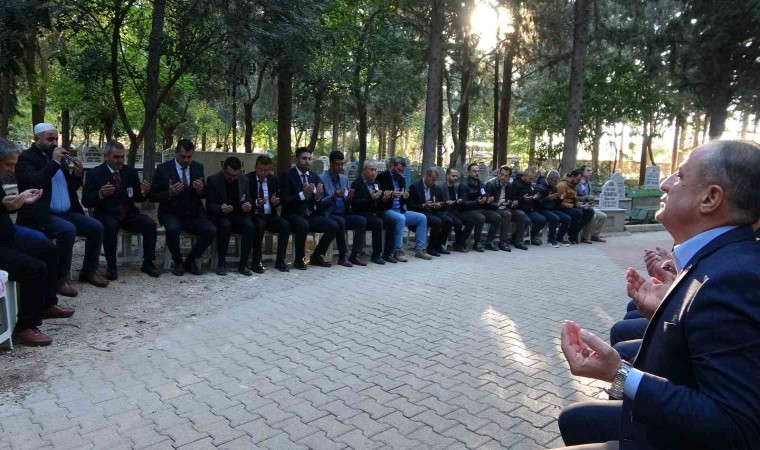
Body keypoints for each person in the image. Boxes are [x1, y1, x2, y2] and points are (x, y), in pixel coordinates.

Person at [556, 140, 760, 450]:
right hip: (663, 424)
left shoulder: (734, 278)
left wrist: (618, 373)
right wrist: (663, 312)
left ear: (710, 198)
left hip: (672, 438)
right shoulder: (723, 258)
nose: (665, 183)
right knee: (576, 419)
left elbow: (736, 428)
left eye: (680, 176)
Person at [15, 123, 107, 296]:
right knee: (67, 230)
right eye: (50, 139)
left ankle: (89, 271)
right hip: (41, 214)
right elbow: (34, 181)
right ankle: (59, 278)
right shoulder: (26, 158)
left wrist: (77, 174)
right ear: (36, 139)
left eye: (56, 138)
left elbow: (70, 188)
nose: (55, 142)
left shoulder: (59, 158)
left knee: (96, 227)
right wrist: (55, 162)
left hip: (66, 213)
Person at [0, 138, 73, 346]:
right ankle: (25, 326)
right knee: (35, 268)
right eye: (9, 164)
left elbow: (3, 207)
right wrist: (9, 205)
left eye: (14, 164)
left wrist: (20, 201)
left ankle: (47, 304)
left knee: (48, 250)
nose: (12, 169)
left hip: (7, 236)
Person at [81, 141, 159, 280]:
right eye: (116, 157)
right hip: (106, 213)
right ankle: (112, 266)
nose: (120, 160)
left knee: (150, 224)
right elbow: (86, 201)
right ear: (106, 156)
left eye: (122, 157)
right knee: (110, 226)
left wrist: (144, 192)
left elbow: (137, 197)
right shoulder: (95, 174)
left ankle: (148, 262)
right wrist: (100, 193)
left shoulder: (130, 172)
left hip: (129, 213)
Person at [149, 138, 215, 276]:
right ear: (176, 153)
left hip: (193, 212)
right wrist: (169, 193)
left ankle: (190, 261)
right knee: (173, 229)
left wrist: (201, 190)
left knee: (211, 230)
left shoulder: (197, 167)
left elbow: (204, 194)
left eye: (189, 157)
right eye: (183, 156)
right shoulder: (163, 169)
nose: (186, 160)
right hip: (170, 212)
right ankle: (177, 261)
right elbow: (153, 196)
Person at [280, 147, 337, 269]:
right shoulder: (287, 175)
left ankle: (317, 256)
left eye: (309, 159)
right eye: (304, 158)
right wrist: (303, 195)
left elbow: (317, 203)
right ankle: (299, 259)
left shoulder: (313, 176)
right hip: (292, 215)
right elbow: (285, 201)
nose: (307, 161)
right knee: (303, 225)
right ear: (296, 159)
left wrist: (317, 197)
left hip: (310, 215)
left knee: (333, 225)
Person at [205, 157, 255, 276]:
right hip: (221, 216)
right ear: (224, 170)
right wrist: (220, 208)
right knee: (225, 225)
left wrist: (248, 205)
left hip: (239, 215)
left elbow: (248, 199)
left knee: (250, 226)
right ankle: (221, 263)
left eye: (235, 175)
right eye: (229, 175)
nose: (232, 178)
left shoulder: (244, 180)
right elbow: (209, 205)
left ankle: (243, 264)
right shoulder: (213, 180)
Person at [376, 157, 433, 260]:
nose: (400, 173)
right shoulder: (381, 177)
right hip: (386, 210)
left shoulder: (401, 179)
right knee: (401, 218)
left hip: (400, 210)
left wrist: (405, 197)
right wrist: (391, 195)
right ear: (392, 165)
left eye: (402, 171)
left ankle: (420, 250)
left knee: (422, 217)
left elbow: (403, 201)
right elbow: (378, 197)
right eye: (398, 170)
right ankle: (398, 251)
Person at [320, 150, 368, 266]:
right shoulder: (322, 178)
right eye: (338, 164)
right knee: (340, 221)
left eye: (342, 164)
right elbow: (319, 202)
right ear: (331, 163)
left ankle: (355, 255)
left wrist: (349, 198)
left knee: (361, 220)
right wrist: (333, 196)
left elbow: (346, 201)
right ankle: (342, 256)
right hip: (329, 214)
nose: (340, 167)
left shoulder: (344, 178)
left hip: (343, 212)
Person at [246, 155, 290, 273]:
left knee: (285, 224)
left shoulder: (273, 180)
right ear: (255, 167)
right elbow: (245, 199)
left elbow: (277, 198)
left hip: (270, 214)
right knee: (260, 225)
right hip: (254, 214)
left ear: (269, 169)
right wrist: (256, 202)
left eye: (265, 170)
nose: (262, 173)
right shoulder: (247, 179)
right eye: (260, 169)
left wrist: (275, 202)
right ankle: (256, 261)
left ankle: (280, 260)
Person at [350, 159, 398, 264]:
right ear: (364, 170)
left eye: (375, 170)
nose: (374, 172)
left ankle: (387, 253)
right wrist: (371, 198)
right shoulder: (357, 184)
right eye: (371, 170)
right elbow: (355, 204)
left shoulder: (376, 183)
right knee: (378, 222)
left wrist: (384, 199)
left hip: (375, 212)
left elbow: (378, 202)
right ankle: (376, 255)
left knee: (392, 222)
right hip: (362, 213)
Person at [458, 163, 502, 252]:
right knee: (480, 218)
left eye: (478, 171)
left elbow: (484, 196)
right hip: (468, 210)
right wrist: (476, 202)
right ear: (469, 173)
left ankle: (489, 242)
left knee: (497, 217)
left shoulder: (481, 185)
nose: (477, 173)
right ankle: (477, 242)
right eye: (474, 171)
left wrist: (489, 200)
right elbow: (463, 203)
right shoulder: (464, 185)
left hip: (480, 208)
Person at [408, 168, 451, 256]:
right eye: (433, 180)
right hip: (419, 212)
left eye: (435, 180)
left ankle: (438, 245)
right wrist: (424, 205)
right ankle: (431, 248)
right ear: (427, 176)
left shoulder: (433, 186)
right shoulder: (415, 186)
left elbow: (435, 200)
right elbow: (410, 206)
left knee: (448, 221)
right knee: (437, 221)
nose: (434, 182)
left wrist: (437, 204)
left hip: (431, 211)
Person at [484, 165, 526, 251]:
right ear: (498, 174)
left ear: (509, 177)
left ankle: (518, 241)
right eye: (502, 174)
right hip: (494, 208)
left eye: (506, 176)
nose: (503, 177)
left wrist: (512, 204)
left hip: (505, 208)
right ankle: (503, 242)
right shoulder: (491, 184)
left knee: (521, 214)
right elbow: (486, 204)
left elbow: (509, 200)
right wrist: (496, 204)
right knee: (507, 214)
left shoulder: (509, 186)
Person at [438, 168, 474, 252]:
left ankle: (459, 243)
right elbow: (438, 202)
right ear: (447, 176)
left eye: (456, 176)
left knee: (470, 221)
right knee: (458, 223)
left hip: (455, 209)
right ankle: (458, 244)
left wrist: (459, 201)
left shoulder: (456, 186)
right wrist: (446, 202)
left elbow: (461, 198)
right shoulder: (441, 187)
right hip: (445, 210)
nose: (455, 178)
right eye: (453, 176)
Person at [509, 168, 547, 246]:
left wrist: (535, 197)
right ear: (525, 176)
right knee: (526, 220)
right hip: (519, 209)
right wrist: (523, 198)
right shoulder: (516, 184)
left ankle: (533, 235)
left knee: (543, 220)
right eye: (530, 178)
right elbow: (511, 197)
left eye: (533, 178)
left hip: (529, 209)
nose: (531, 180)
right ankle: (516, 238)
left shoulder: (529, 184)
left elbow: (530, 196)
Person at [534, 170, 572, 247]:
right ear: (549, 179)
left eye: (557, 181)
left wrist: (560, 198)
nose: (556, 183)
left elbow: (556, 204)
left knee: (567, 219)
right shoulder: (539, 187)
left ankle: (559, 239)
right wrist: (548, 198)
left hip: (551, 209)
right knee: (555, 218)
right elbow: (537, 203)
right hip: (541, 209)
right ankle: (551, 240)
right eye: (555, 181)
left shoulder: (553, 187)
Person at [556, 170, 594, 244]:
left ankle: (574, 232)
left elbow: (575, 200)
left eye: (580, 180)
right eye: (578, 179)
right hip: (562, 208)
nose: (579, 182)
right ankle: (572, 234)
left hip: (571, 207)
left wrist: (581, 206)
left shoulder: (574, 185)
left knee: (590, 211)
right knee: (578, 212)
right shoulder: (562, 185)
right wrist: (573, 206)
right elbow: (560, 203)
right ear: (572, 176)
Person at [577, 165, 607, 244]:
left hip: (588, 207)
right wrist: (585, 198)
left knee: (603, 216)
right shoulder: (577, 182)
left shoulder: (589, 183)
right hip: (579, 206)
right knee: (592, 215)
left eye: (591, 171)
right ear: (582, 172)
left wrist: (590, 200)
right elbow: (574, 197)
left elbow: (589, 197)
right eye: (588, 170)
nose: (590, 172)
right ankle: (585, 237)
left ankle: (594, 235)